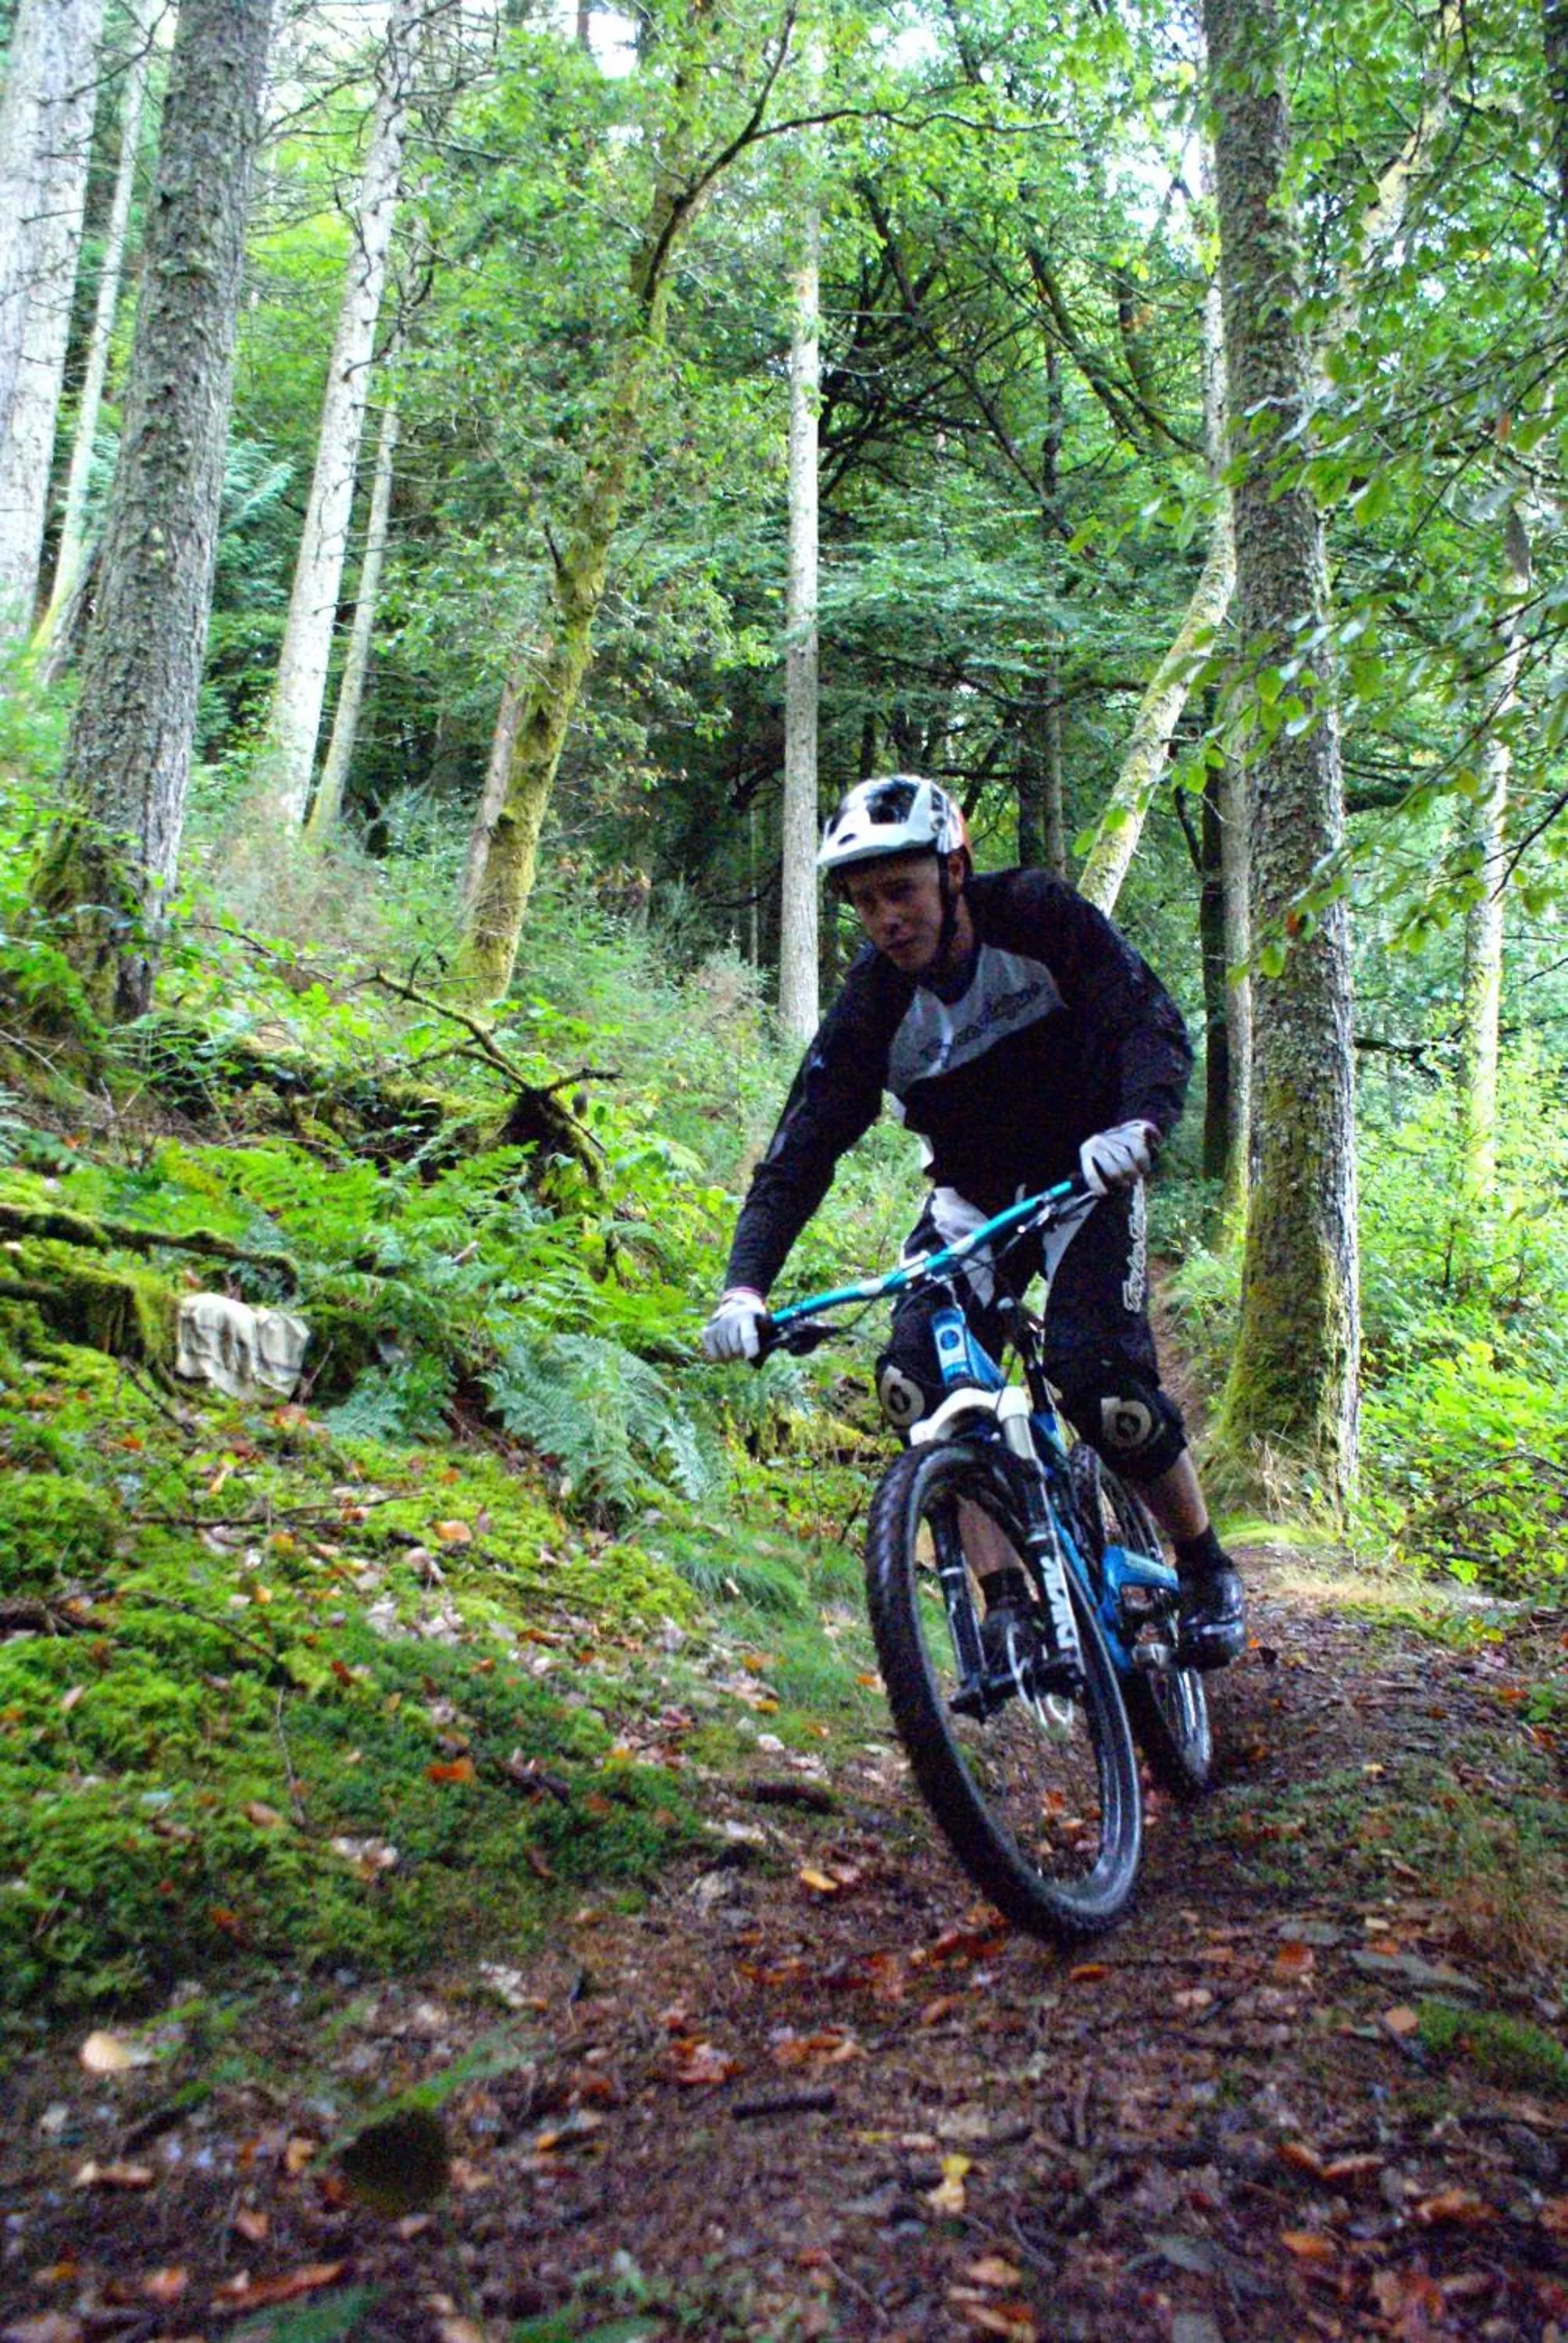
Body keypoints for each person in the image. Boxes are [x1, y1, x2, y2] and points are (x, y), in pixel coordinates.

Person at [701, 772, 1245, 1670]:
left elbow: (1146, 1021)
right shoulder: (872, 1004)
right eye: (864, 901)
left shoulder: (1035, 917)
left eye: (900, 891)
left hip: (1084, 1175)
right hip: (971, 1205)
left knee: (1100, 1383)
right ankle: (1005, 1605)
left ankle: (1204, 1563)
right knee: (915, 1381)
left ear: (953, 871)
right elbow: (800, 1151)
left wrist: (1137, 1123)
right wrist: (743, 1288)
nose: (885, 918)